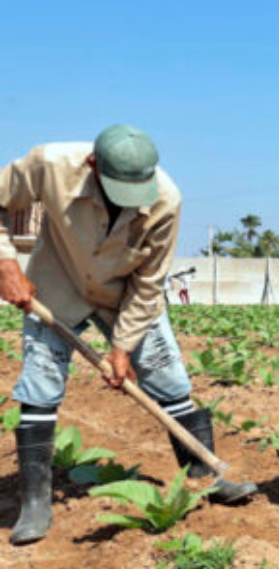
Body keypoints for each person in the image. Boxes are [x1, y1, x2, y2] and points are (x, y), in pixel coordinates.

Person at [0, 125, 256, 546]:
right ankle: (35, 502)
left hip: (125, 294)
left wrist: (122, 347)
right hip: (57, 287)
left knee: (167, 379)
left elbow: (149, 281)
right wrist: (7, 263)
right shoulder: (49, 165)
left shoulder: (166, 200)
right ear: (92, 166)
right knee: (40, 382)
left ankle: (204, 474)